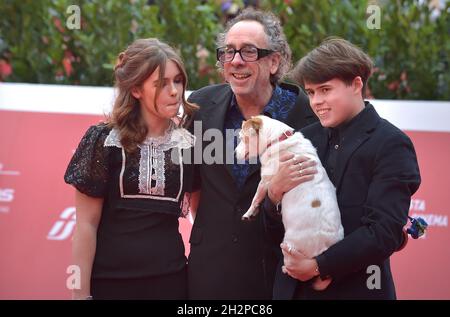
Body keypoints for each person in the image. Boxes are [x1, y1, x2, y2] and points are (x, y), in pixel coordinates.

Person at [266, 37, 421, 299]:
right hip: (292, 291)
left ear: (356, 85)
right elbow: (271, 224)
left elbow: (383, 232)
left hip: (357, 290)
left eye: (325, 90)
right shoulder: (303, 138)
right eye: (311, 92)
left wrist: (319, 266)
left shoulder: (391, 143)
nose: (316, 102)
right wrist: (273, 194)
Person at [186, 8, 318, 299]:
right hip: (210, 274)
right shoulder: (201, 106)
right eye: (228, 52)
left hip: (280, 277)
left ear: (273, 61)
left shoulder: (309, 116)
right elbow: (195, 189)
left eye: (248, 52)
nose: (235, 61)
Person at [64, 38, 198, 300]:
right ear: (136, 89)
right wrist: (79, 294)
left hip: (171, 282)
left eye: (178, 81)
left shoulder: (191, 143)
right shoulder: (104, 140)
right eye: (161, 83)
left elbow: (202, 216)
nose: (174, 91)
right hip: (109, 283)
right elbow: (85, 225)